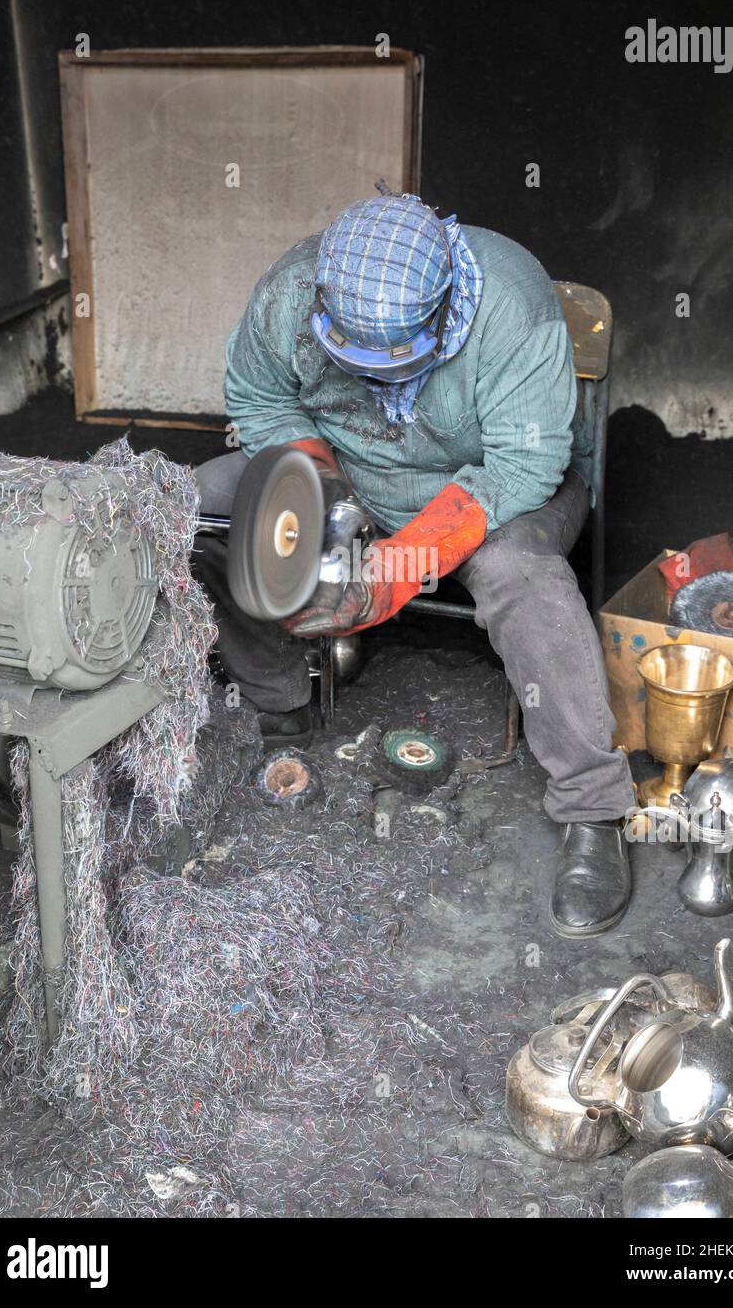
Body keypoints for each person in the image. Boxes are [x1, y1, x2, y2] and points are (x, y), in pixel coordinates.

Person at [194, 191, 637, 936]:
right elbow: (258, 398)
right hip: (353, 470)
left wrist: (399, 567)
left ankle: (594, 809)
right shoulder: (293, 291)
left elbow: (526, 465)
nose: (372, 379)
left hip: (496, 487)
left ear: (442, 314)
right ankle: (280, 704)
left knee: (519, 575)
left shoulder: (512, 302)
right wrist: (319, 488)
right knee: (212, 508)